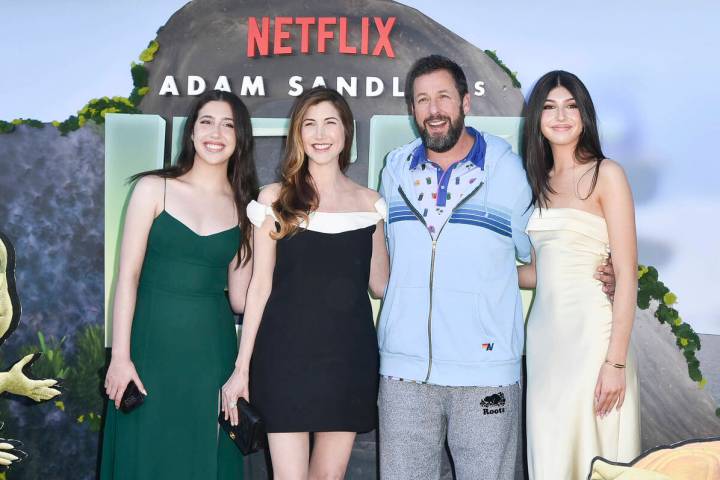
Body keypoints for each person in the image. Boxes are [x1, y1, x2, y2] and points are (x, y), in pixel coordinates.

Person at [377, 56, 616, 480]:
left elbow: (543, 262)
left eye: (444, 97)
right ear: (412, 109)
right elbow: (385, 265)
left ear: (466, 102)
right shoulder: (395, 170)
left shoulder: (509, 172)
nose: (434, 109)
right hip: (404, 374)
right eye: (422, 100)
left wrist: (599, 271)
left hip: (486, 375)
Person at [221, 87, 389, 479]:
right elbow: (259, 288)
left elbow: (380, 284)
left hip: (349, 360)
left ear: (346, 132)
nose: (320, 133)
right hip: (283, 361)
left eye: (330, 122)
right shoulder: (275, 198)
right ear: (297, 134)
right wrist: (241, 368)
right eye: (309, 124)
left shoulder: (371, 204)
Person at [101, 89, 259, 480]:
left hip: (212, 351)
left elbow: (240, 297)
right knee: (146, 451)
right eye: (206, 121)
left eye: (228, 125)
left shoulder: (246, 209)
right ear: (191, 132)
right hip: (149, 347)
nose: (215, 133)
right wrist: (120, 357)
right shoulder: (154, 188)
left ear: (240, 138)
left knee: (200, 456)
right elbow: (127, 277)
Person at [520, 70, 641, 479]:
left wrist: (616, 363)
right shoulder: (540, 182)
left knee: (598, 454)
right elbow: (541, 271)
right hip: (544, 343)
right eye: (550, 107)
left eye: (571, 106)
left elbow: (625, 274)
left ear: (585, 116)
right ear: (537, 117)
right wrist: (485, 267)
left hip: (594, 340)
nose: (561, 116)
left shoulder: (608, 174)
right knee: (551, 453)